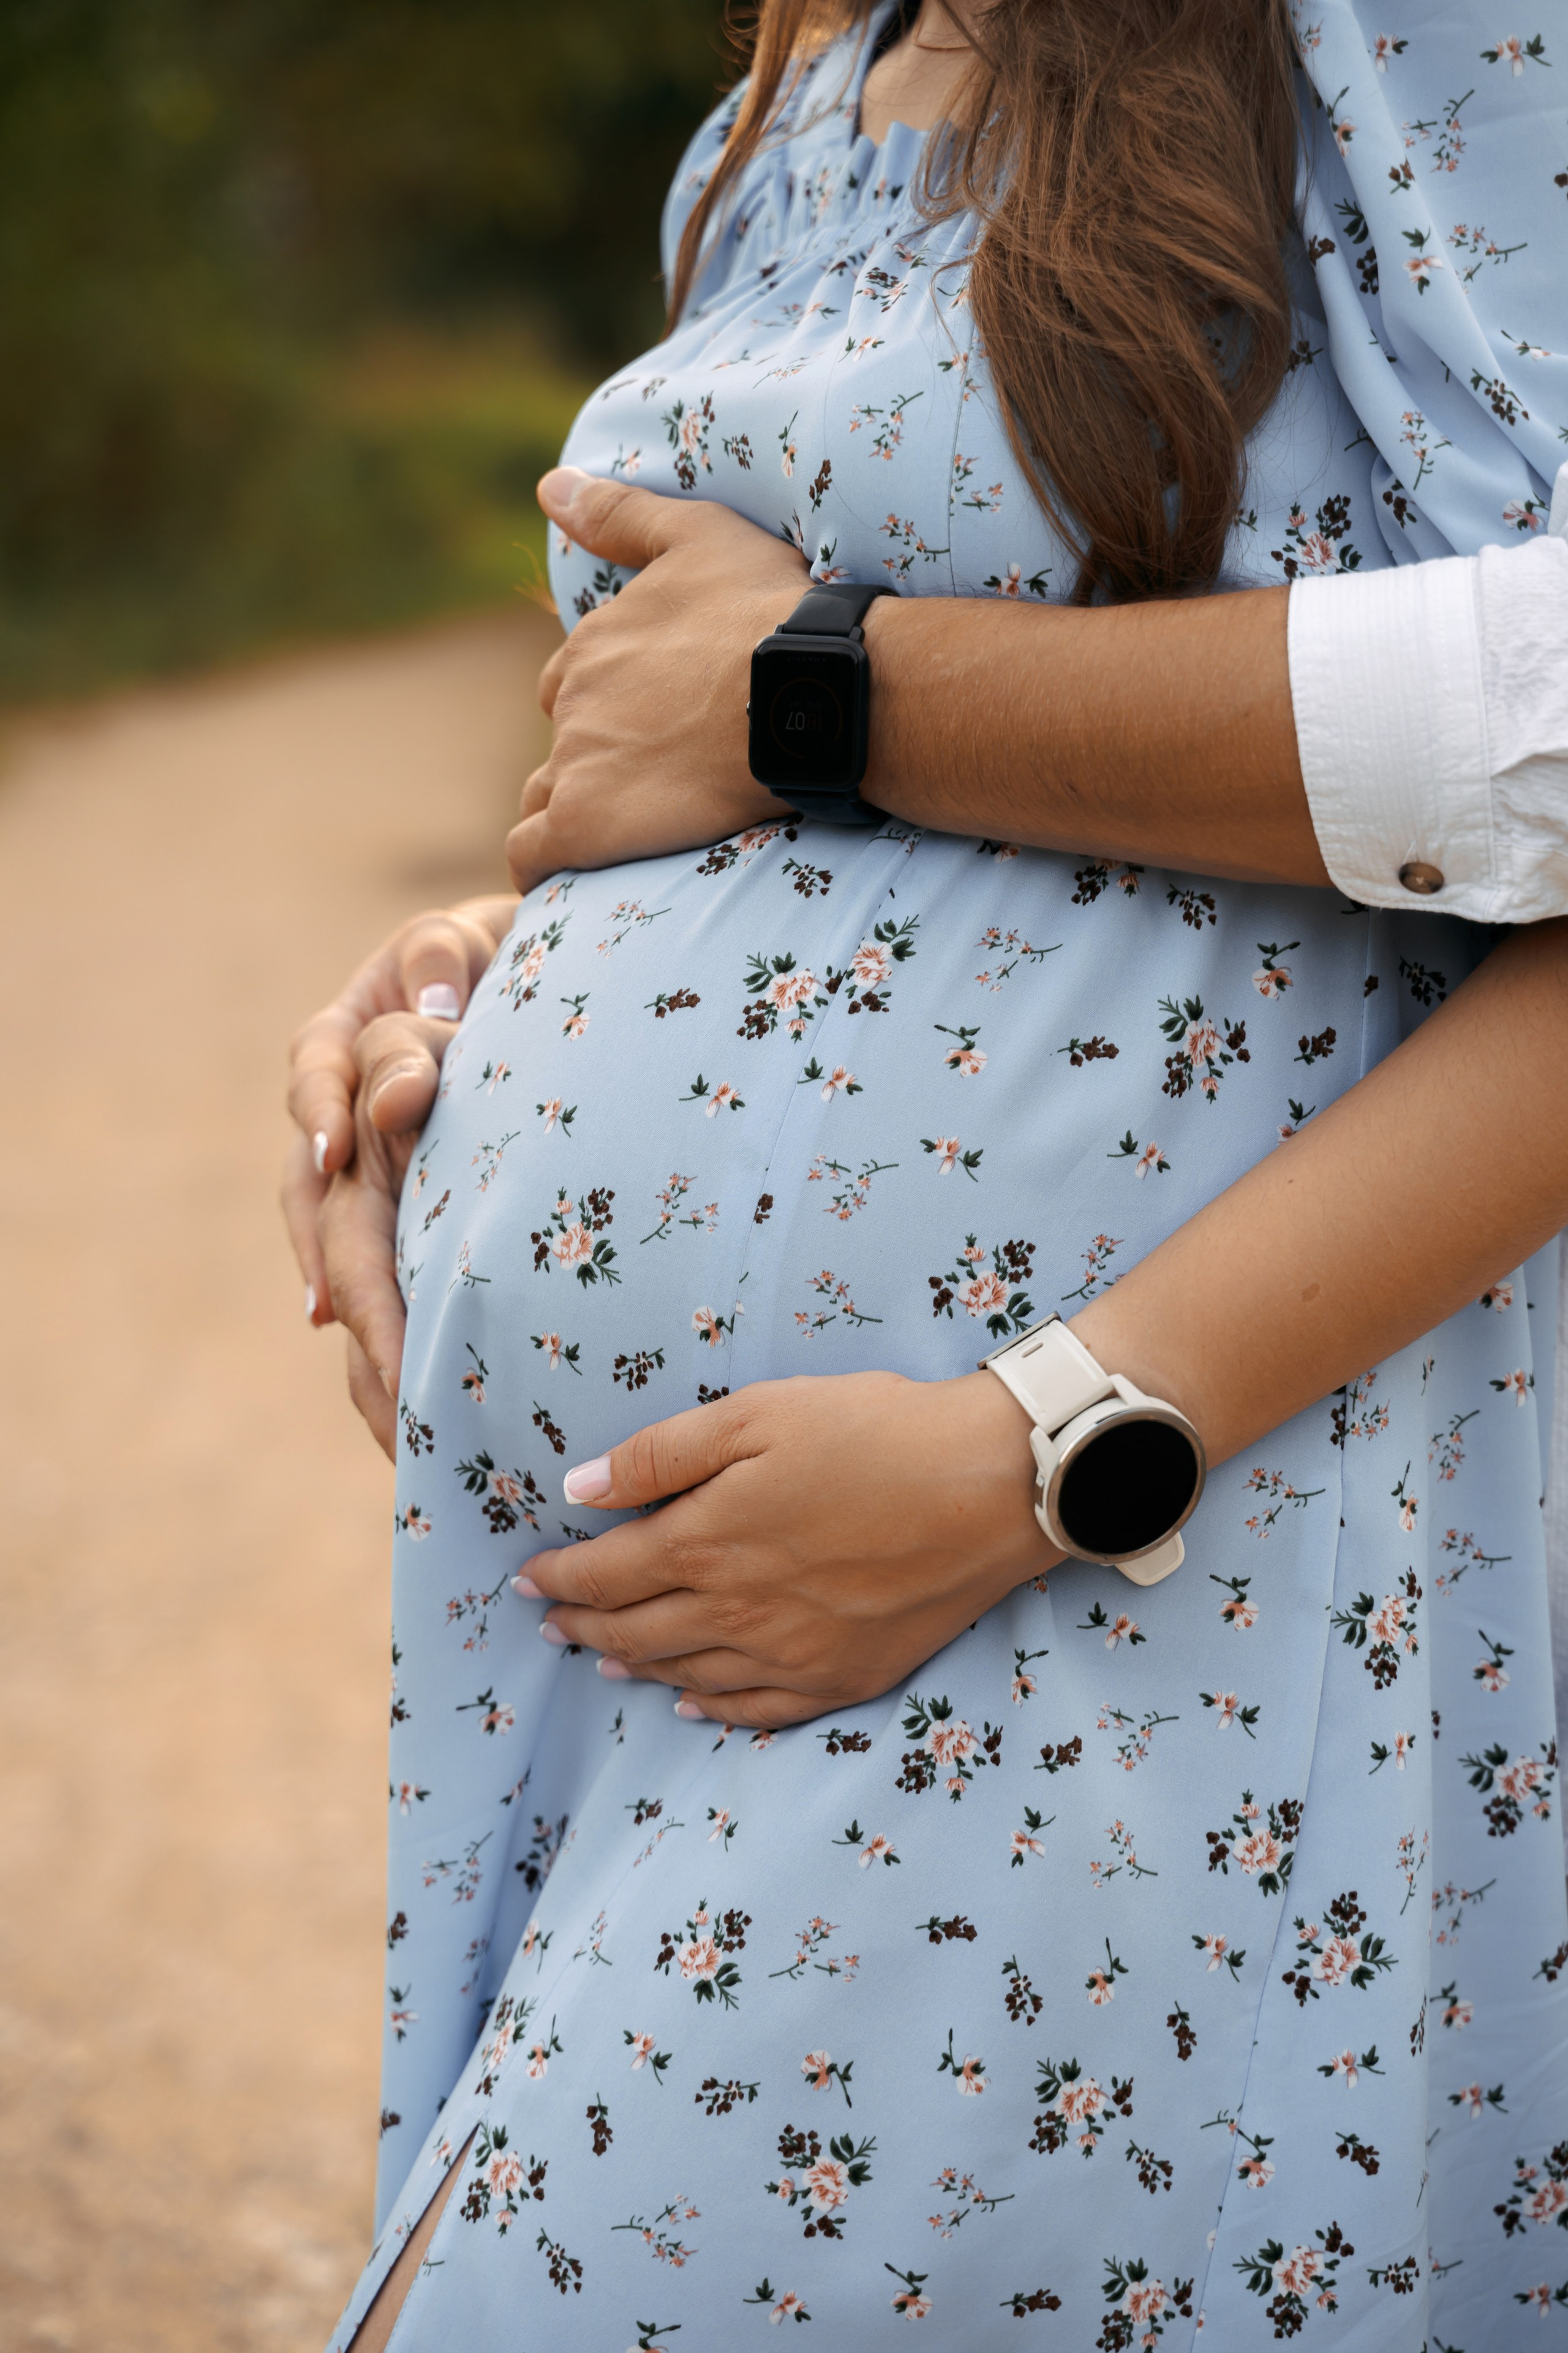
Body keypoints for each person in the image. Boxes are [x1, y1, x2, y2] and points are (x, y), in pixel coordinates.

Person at [290, 4, 1568, 2344]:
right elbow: (779, 781)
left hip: (1082, 1585)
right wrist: (485, 981)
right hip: (654, 1641)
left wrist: (1046, 1448)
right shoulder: (786, 103)